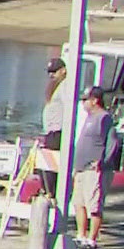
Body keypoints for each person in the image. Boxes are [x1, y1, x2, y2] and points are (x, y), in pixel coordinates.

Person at [68, 86, 114, 249]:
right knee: (79, 203)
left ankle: (92, 239)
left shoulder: (104, 118)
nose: (83, 103)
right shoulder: (88, 118)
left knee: (94, 205)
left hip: (95, 170)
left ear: (95, 100)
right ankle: (81, 235)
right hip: (81, 168)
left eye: (85, 100)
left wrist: (102, 162)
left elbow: (113, 142)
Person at [41, 56, 71, 195]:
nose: (51, 75)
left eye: (54, 71)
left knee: (52, 166)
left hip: (58, 132)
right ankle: (48, 192)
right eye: (49, 72)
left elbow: (68, 107)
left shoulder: (65, 85)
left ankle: (53, 193)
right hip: (50, 132)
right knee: (46, 164)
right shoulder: (55, 86)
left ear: (63, 70)